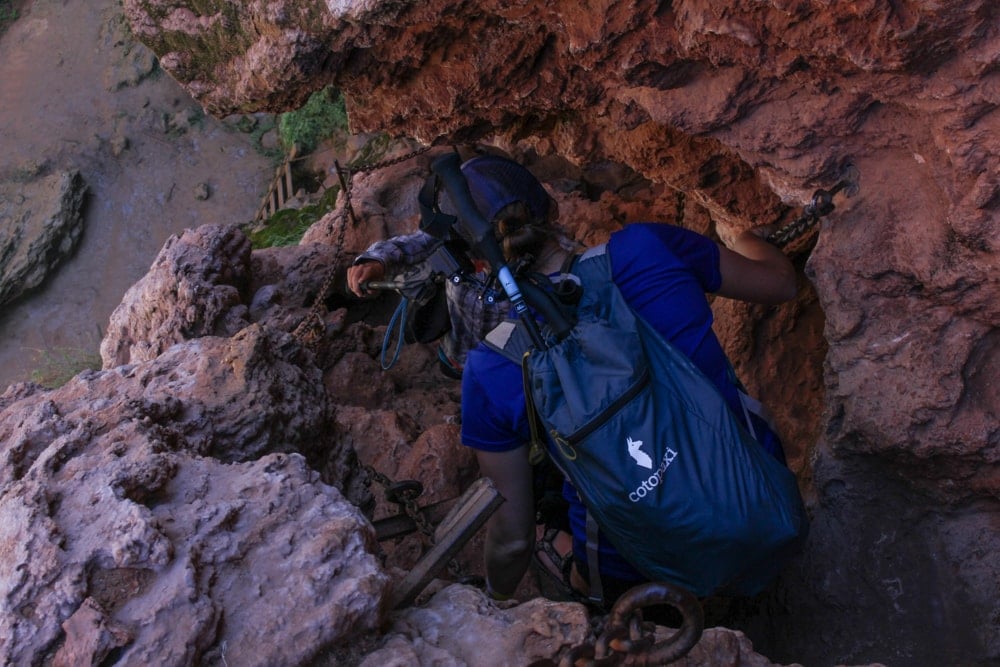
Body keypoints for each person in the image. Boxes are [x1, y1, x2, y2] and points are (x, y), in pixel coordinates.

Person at [458, 177, 798, 604]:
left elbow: (512, 539)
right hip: (760, 501)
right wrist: (744, 236)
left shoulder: (491, 368)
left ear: (478, 264)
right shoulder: (646, 247)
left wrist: (493, 601)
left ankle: (585, 580)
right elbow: (781, 284)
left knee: (547, 526)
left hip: (640, 578)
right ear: (553, 210)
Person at [346, 153, 574, 378]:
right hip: (461, 355)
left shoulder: (561, 277)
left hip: (502, 370)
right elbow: (419, 242)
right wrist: (377, 260)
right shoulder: (463, 239)